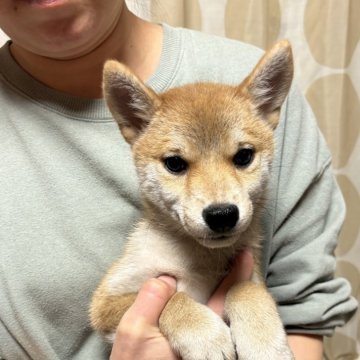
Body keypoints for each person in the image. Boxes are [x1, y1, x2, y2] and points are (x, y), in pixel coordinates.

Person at [0, 1, 357, 359]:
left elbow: (306, 310)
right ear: (132, 120)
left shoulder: (253, 86)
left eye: (242, 157)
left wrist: (250, 303)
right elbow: (105, 310)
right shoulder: (152, 244)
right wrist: (177, 314)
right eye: (176, 163)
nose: (219, 197)